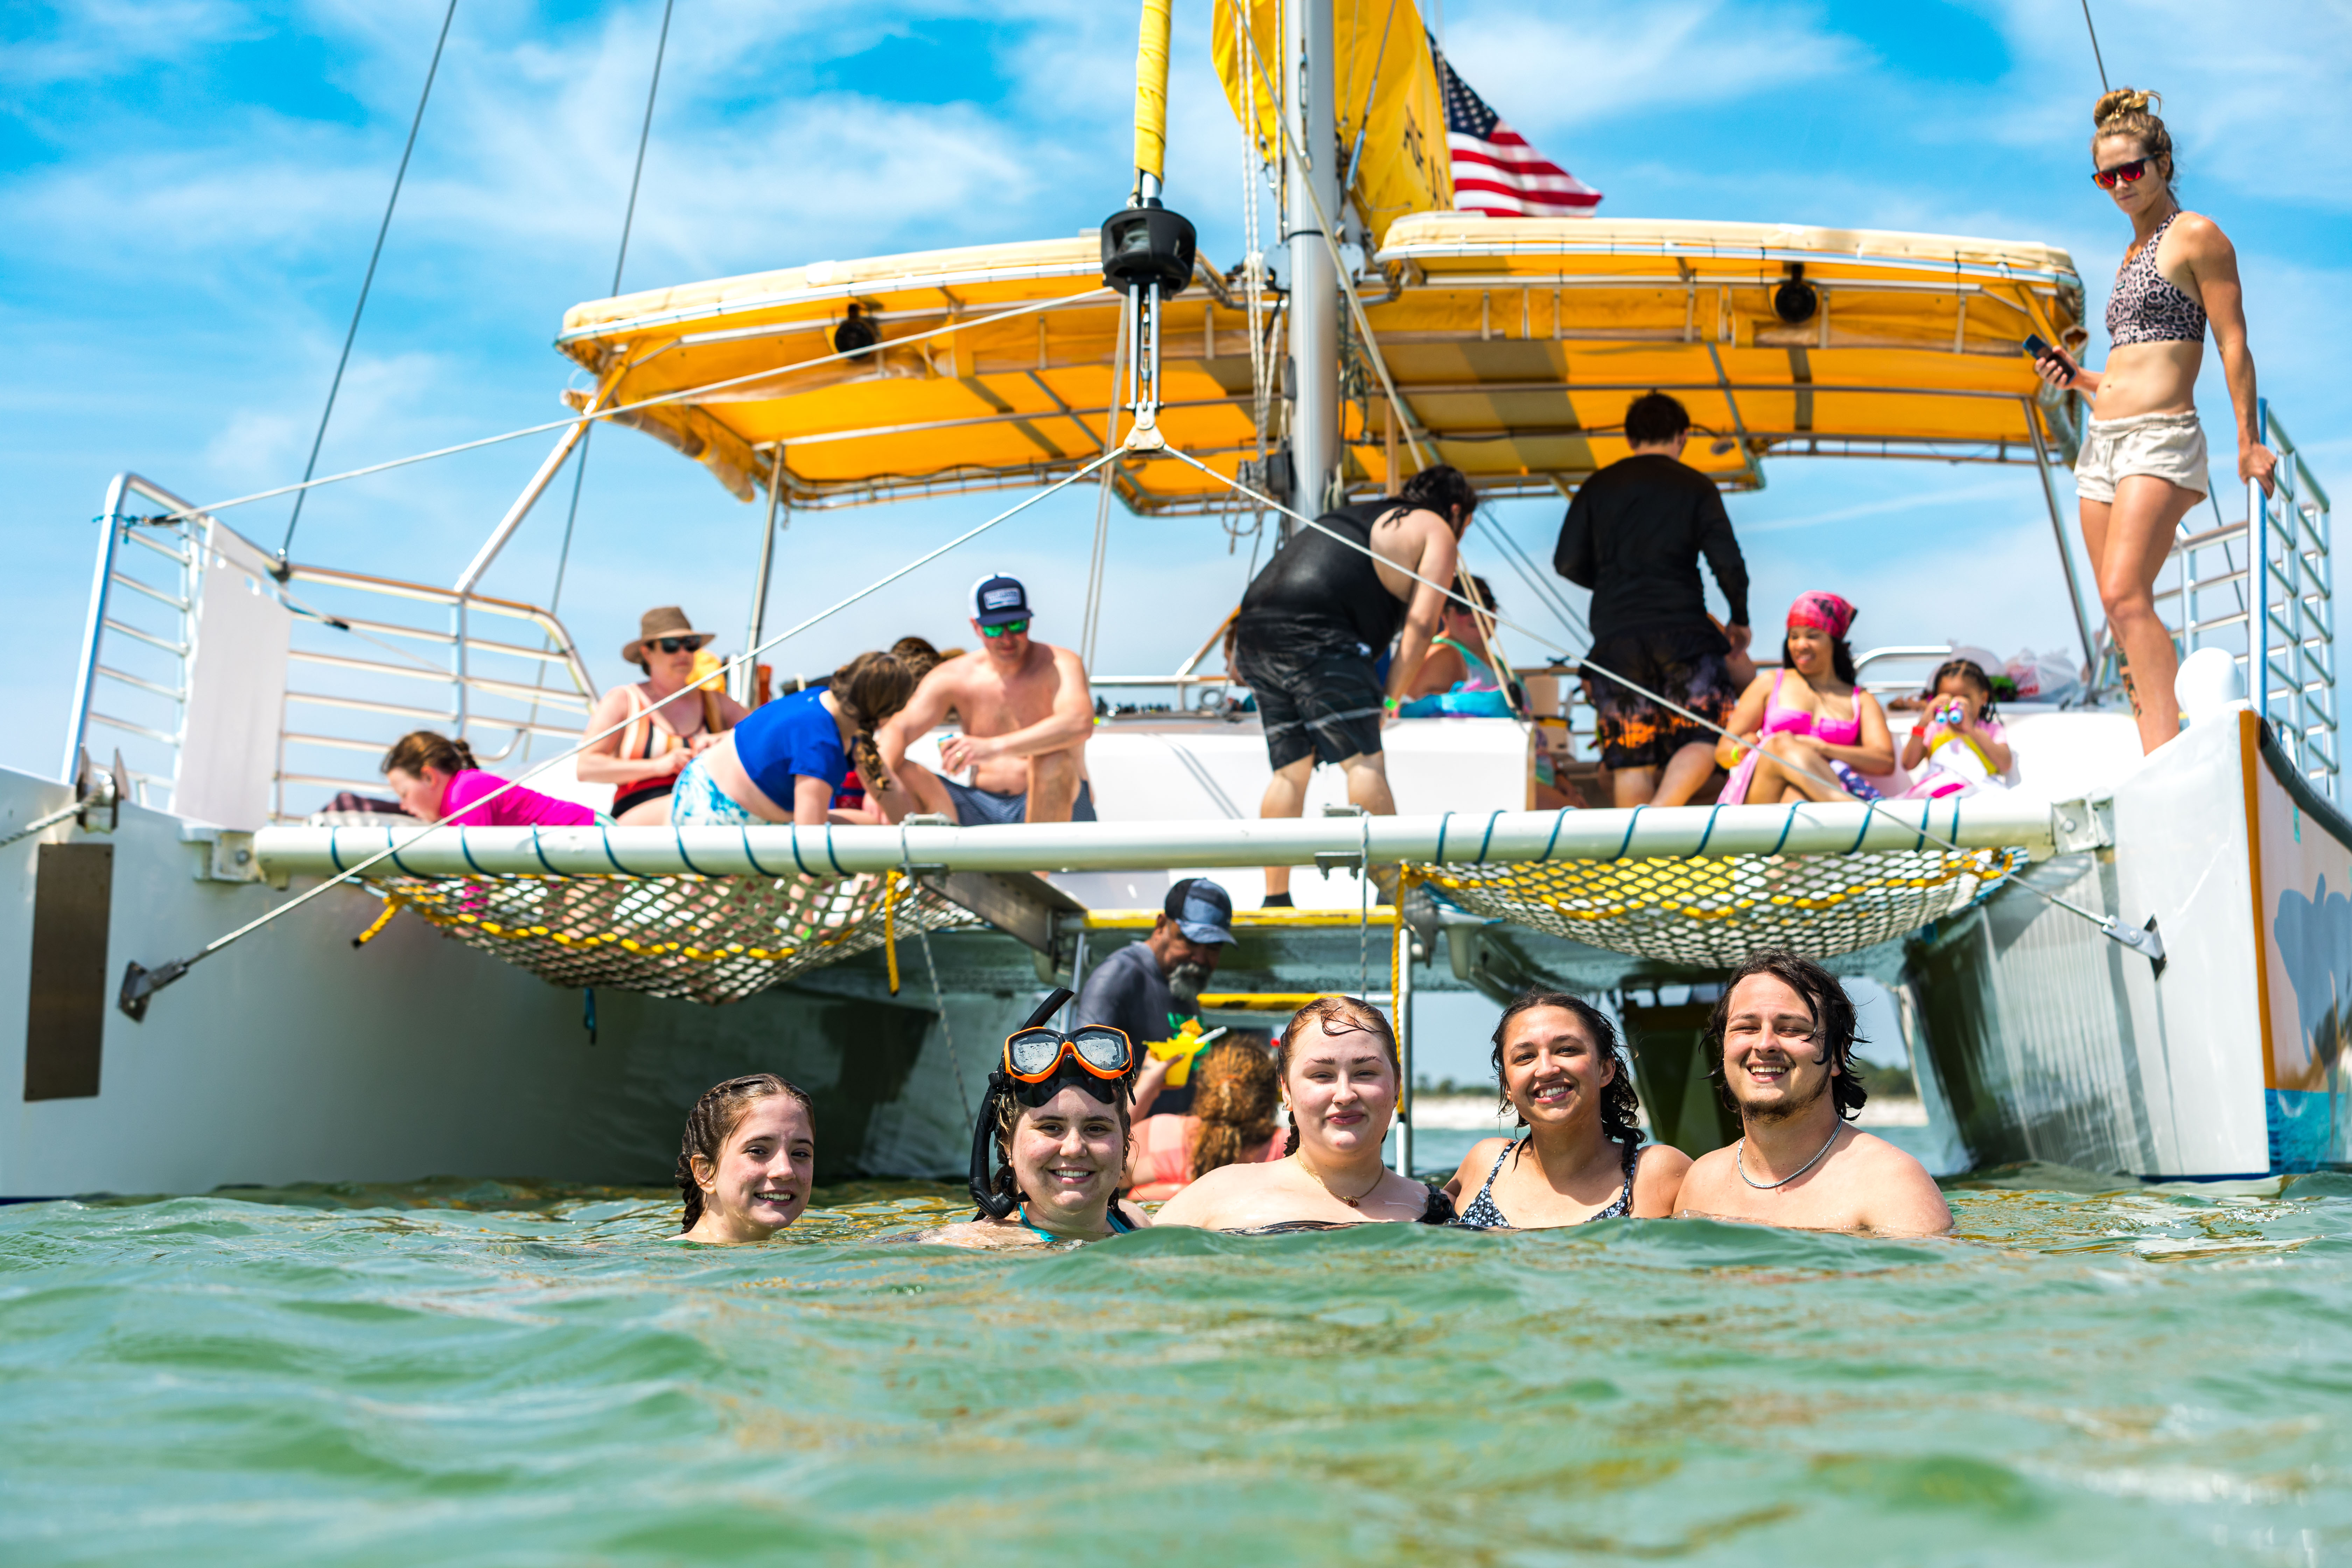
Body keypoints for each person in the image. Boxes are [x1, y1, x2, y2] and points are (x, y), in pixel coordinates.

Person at [2033, 88, 2275, 755]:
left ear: (2163, 162)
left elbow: (2232, 342)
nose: (2118, 186)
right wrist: (2078, 378)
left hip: (2161, 437)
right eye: (2104, 177)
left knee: (2124, 591)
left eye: (2130, 170)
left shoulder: (2195, 235)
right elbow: (2126, 367)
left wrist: (2247, 443)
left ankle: (2165, 754)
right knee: (2118, 609)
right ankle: (2154, 747)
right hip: (2103, 442)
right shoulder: (2127, 257)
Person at [1229, 466, 1479, 907]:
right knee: (1365, 763)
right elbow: (1421, 626)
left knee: (1290, 771)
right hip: (1320, 635)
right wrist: (1390, 697)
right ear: (1456, 511)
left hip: (1253, 633)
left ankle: (1276, 899)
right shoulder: (1435, 528)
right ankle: (1395, 895)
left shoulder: (1360, 514)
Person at [1554, 391, 1753, 807]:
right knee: (1705, 735)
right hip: (1684, 631)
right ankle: (1661, 817)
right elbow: (1728, 562)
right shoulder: (1696, 486)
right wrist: (1738, 616)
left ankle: (1640, 859)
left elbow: (1566, 562)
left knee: (1630, 754)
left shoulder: (1598, 487)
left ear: (1629, 439)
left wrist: (1612, 583)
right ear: (1682, 437)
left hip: (1615, 636)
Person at [1673, 951, 1952, 1236]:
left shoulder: (1890, 1184)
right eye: (1746, 1028)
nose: (1765, 1044)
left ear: (1837, 1056)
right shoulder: (1702, 1181)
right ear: (1724, 1051)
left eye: (1792, 1029)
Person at [1150, 996, 1456, 1232]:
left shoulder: (1436, 1210)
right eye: (1322, 1076)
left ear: (1397, 1085)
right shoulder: (1220, 1192)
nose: (1345, 1094)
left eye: (1365, 1073)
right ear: (1286, 1090)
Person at [1444, 990, 1690, 1228]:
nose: (1546, 1069)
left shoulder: (1658, 1172)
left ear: (1605, 1069)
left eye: (1566, 1050)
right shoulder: (1485, 1162)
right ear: (1507, 1086)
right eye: (1525, 1057)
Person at [875, 575, 1098, 825]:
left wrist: (991, 747)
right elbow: (899, 728)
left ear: (1029, 620)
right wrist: (879, 788)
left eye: (1017, 626)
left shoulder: (1061, 663)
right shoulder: (955, 675)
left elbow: (1079, 723)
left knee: (1052, 761)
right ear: (976, 627)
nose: (1007, 638)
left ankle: (1040, 864)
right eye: (994, 628)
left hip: (1061, 809)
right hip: (980, 807)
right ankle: (930, 863)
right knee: (902, 773)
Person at [922, 1005, 1152, 1247]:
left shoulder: (1134, 1221)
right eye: (1051, 1127)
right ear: (1007, 1144)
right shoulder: (969, 1247)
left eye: (1096, 1129)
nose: (1074, 1148)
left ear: (1125, 1141)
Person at [670, 652, 915, 826]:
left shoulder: (820, 700)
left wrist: (914, 835)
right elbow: (810, 845)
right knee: (869, 830)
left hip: (693, 791)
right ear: (886, 712)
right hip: (721, 820)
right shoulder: (821, 745)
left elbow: (889, 791)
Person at [1076, 878, 1237, 1119]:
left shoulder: (1182, 983)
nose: (1201, 959)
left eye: (1214, 948)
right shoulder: (1119, 976)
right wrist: (1148, 1081)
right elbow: (1084, 1083)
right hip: (1132, 1150)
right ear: (1162, 925)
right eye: (1191, 941)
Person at [1717, 593, 1896, 806]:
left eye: (1812, 636)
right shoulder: (1769, 683)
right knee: (1780, 743)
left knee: (1797, 796)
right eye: (1794, 636)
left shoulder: (1862, 700)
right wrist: (1740, 751)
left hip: (1813, 797)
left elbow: (1885, 761)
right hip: (1764, 794)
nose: (1801, 645)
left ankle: (1840, 806)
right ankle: (1848, 807)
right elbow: (1722, 752)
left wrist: (1822, 749)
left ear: (1834, 641)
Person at [578, 608, 750, 825]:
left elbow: (763, 736)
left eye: (690, 643)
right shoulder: (624, 700)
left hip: (708, 809)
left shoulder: (716, 703)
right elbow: (586, 767)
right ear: (647, 653)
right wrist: (659, 766)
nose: (683, 653)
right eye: (671, 645)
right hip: (642, 811)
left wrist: (725, 738)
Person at [1126, 1039, 1286, 1202]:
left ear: (1202, 1087)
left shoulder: (1158, 1132)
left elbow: (1109, 1165)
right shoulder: (1290, 1146)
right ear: (1271, 1094)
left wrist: (1147, 1085)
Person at [675, 1073, 817, 1244]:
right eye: (757, 1151)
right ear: (705, 1173)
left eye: (800, 1154)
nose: (785, 1171)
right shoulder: (668, 1265)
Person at [380, 730, 597, 827]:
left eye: (404, 794)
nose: (404, 805)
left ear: (429, 776)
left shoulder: (465, 792)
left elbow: (477, 872)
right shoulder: (455, 804)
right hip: (567, 858)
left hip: (590, 839)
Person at [1898, 658, 2014, 801]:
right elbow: (1908, 763)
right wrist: (1923, 722)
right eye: (1949, 699)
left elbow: (2005, 764)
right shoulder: (1935, 728)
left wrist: (1971, 730)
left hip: (1980, 793)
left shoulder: (1991, 729)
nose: (1956, 705)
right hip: (1941, 796)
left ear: (1983, 698)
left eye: (1964, 698)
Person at [1399, 575, 1514, 716]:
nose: (1477, 613)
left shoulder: (1497, 661)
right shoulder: (1444, 655)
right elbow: (1407, 714)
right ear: (1445, 614)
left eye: (1485, 603)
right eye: (1465, 606)